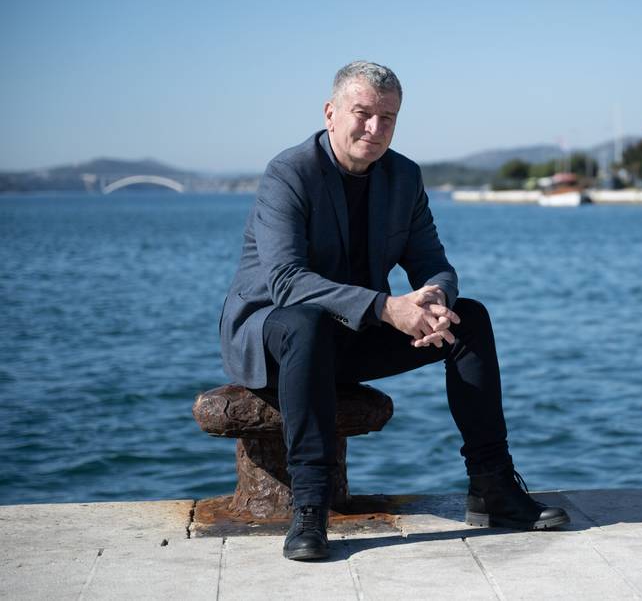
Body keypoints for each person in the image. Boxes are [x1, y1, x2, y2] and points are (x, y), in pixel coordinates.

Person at [219, 60, 569, 560]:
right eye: (362, 113)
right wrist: (387, 308)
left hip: (352, 332)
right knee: (306, 324)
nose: (374, 127)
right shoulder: (289, 173)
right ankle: (310, 507)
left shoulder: (404, 176)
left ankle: (492, 487)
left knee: (469, 320)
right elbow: (286, 282)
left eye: (388, 118)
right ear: (330, 113)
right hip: (273, 335)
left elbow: (434, 264)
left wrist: (435, 301)